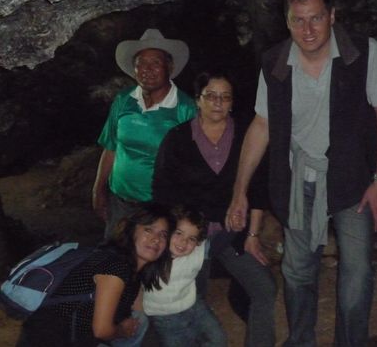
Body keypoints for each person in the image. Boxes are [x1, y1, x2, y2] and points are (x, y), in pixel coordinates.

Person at [227, 0, 377, 347]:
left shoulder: (364, 54)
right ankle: (301, 340)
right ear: (287, 21)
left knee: (357, 272)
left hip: (352, 181)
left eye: (316, 18)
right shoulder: (274, 62)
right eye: (298, 20)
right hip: (297, 182)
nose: (308, 29)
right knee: (298, 271)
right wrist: (239, 191)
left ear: (332, 15)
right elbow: (261, 125)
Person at [153, 71, 277, 347]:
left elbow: (258, 187)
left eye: (225, 97)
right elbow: (162, 192)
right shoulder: (178, 139)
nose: (218, 103)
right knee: (190, 300)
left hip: (232, 235)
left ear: (233, 102)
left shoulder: (248, 136)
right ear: (198, 100)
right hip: (191, 239)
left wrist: (252, 236)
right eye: (210, 96)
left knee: (264, 288)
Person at [16, 206, 175, 347]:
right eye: (148, 229)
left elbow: (137, 308)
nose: (156, 239)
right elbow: (102, 330)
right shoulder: (115, 267)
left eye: (163, 235)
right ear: (132, 230)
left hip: (72, 335)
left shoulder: (133, 268)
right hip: (49, 340)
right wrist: (122, 330)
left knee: (140, 320)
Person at [92, 29, 196, 238]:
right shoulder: (123, 100)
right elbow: (111, 147)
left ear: (170, 66)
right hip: (120, 201)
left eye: (155, 63)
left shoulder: (185, 108)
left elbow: (192, 163)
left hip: (160, 207)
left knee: (151, 264)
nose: (147, 69)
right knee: (114, 261)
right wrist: (98, 190)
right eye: (140, 63)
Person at [143, 208, 227, 347]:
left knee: (219, 339)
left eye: (191, 238)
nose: (183, 241)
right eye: (178, 233)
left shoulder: (196, 252)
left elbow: (218, 243)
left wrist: (234, 226)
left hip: (194, 306)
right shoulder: (151, 252)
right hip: (165, 317)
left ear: (198, 243)